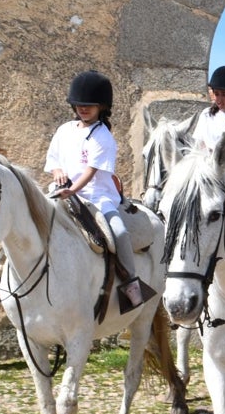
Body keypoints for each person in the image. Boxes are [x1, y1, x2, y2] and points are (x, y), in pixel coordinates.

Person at [46, 70, 153, 311]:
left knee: (120, 232)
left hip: (98, 198)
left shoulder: (103, 136)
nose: (84, 109)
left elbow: (91, 171)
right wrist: (58, 173)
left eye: (90, 105)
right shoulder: (64, 130)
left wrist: (72, 190)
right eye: (80, 104)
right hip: (62, 192)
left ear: (102, 107)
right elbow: (53, 160)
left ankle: (131, 286)